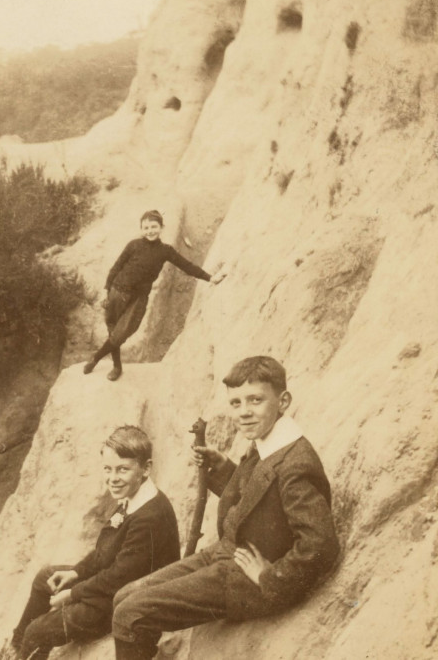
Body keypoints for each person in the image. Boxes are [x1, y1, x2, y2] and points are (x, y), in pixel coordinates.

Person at [111, 356, 340, 660]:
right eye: (235, 403)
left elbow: (321, 545)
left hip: (247, 580)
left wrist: (270, 577)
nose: (244, 412)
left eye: (255, 400)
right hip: (226, 552)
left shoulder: (296, 463)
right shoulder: (267, 440)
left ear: (282, 401)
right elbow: (260, 500)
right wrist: (222, 469)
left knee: (130, 614)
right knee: (125, 596)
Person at [10, 426, 180, 660]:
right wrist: (76, 573)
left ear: (146, 468)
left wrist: (73, 594)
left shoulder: (150, 515)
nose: (113, 478)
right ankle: (15, 650)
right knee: (44, 578)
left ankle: (27, 647)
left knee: (38, 631)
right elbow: (104, 552)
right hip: (113, 586)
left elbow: (119, 578)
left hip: (127, 601)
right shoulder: (132, 496)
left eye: (123, 469)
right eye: (107, 469)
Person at [83, 210, 225, 382]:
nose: (150, 231)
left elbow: (187, 266)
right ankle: (117, 366)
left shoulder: (165, 251)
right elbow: (116, 267)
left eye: (154, 227)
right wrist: (106, 290)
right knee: (113, 331)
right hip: (117, 291)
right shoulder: (133, 245)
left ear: (161, 227)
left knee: (121, 334)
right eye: (146, 227)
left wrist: (210, 278)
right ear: (141, 229)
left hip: (138, 299)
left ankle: (95, 358)